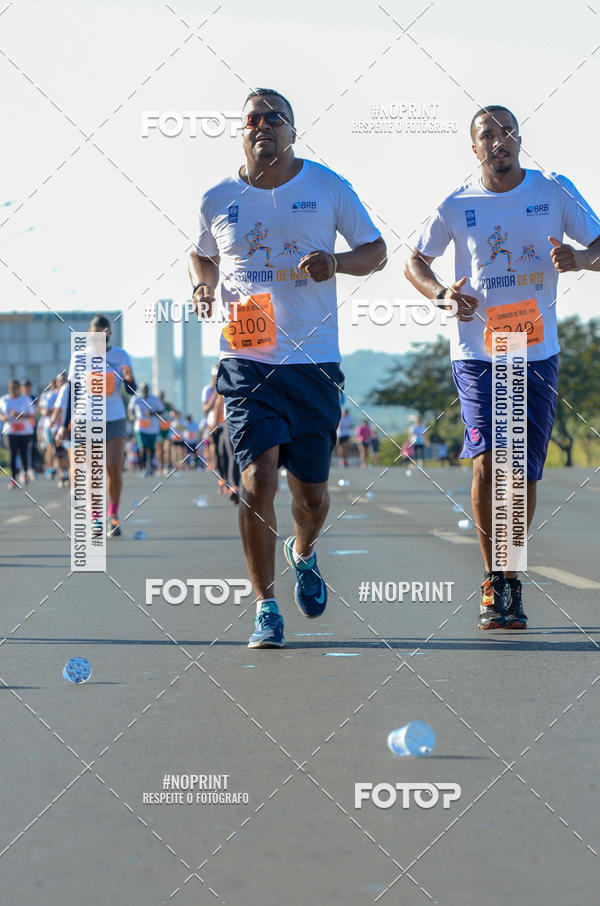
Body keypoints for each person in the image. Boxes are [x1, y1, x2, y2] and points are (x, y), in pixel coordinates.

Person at [189, 87, 386, 648]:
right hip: (246, 359)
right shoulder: (218, 196)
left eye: (277, 119)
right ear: (242, 130)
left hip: (314, 361)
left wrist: (337, 263)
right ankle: (265, 607)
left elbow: (376, 251)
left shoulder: (326, 185)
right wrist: (203, 286)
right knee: (256, 481)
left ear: (293, 132)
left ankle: (302, 551)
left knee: (313, 498)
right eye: (254, 118)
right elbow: (202, 253)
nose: (265, 126)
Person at [405, 104, 600, 631]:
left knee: (521, 471)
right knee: (488, 461)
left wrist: (581, 261)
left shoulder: (552, 191)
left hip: (534, 352)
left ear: (519, 139)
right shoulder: (456, 203)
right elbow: (414, 260)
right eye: (487, 135)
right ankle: (496, 578)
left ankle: (511, 572)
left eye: (507, 132)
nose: (499, 141)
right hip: (478, 355)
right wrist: (444, 295)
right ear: (475, 149)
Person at [57, 314, 137, 536]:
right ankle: (96, 519)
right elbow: (73, 392)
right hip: (86, 418)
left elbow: (131, 391)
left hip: (114, 417)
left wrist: (130, 380)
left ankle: (113, 514)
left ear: (109, 334)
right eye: (94, 335)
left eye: (102, 334)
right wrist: (65, 424)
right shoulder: (79, 357)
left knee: (113, 467)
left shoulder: (121, 356)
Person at [0, 379, 36, 487]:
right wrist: (3, 418)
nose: (13, 390)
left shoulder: (25, 399)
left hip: (24, 431)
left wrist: (19, 415)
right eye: (11, 387)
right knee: (12, 453)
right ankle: (13, 479)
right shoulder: (4, 399)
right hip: (10, 431)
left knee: (24, 453)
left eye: (15, 387)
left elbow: (32, 415)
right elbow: (0, 413)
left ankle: (24, 472)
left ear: (19, 388)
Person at [129, 384, 164, 476]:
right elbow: (130, 410)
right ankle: (143, 467)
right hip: (140, 427)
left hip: (153, 428)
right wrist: (132, 416)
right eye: (143, 390)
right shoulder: (136, 399)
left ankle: (151, 465)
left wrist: (152, 414)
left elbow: (162, 410)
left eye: (146, 389)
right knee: (143, 448)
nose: (145, 391)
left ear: (149, 390)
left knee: (152, 448)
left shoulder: (155, 399)